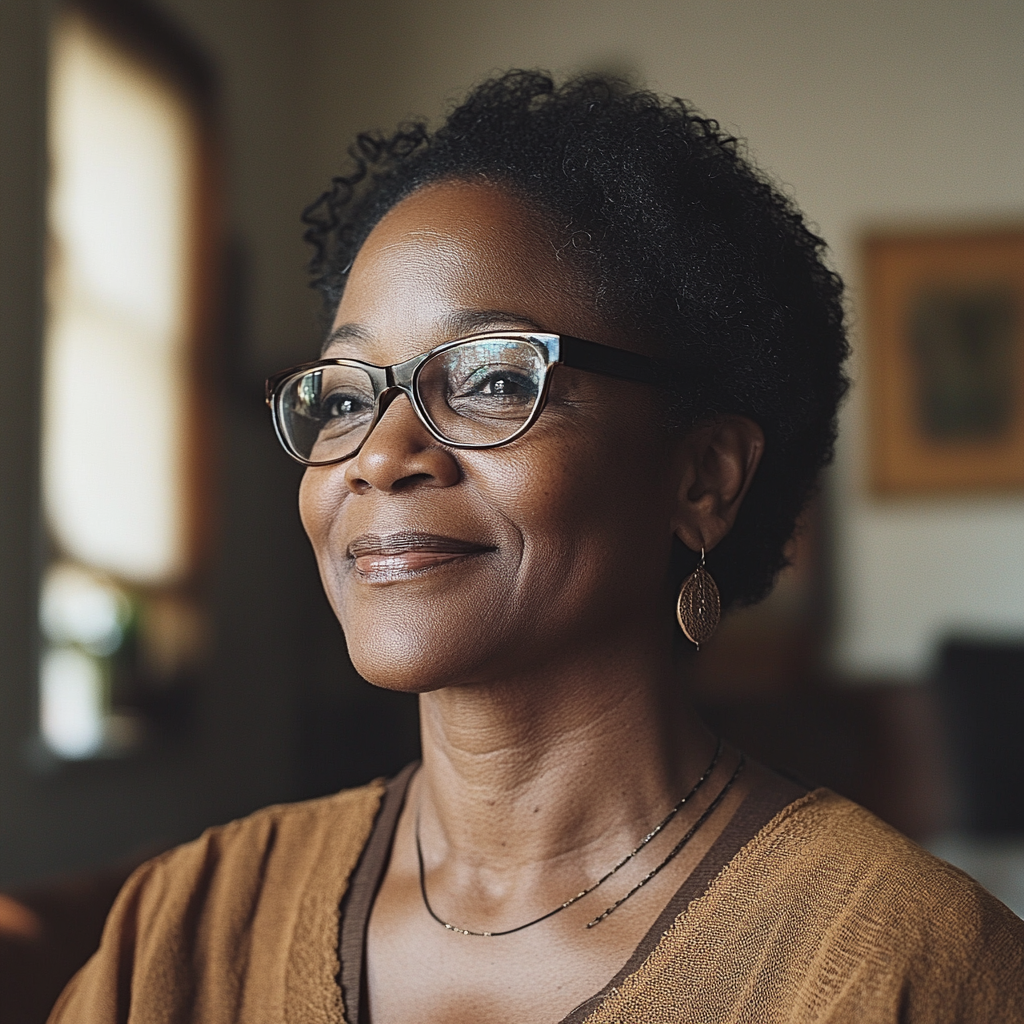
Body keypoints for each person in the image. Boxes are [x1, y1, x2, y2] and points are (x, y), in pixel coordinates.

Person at [50, 71, 1024, 1024]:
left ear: (702, 479)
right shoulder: (185, 928)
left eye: (491, 381)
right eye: (345, 395)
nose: (380, 454)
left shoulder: (901, 965)